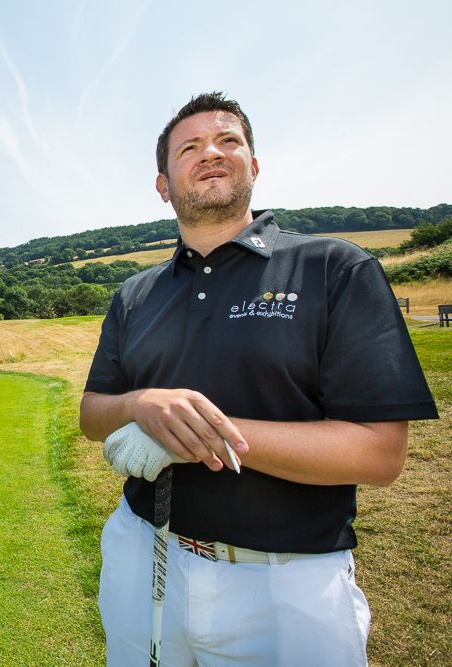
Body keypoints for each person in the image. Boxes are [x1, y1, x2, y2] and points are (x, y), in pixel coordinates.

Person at [79, 92, 438, 665]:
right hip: (143, 551)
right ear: (163, 185)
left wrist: (196, 434)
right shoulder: (135, 293)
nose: (211, 153)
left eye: (229, 141)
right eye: (189, 148)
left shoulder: (334, 267)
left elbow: (378, 454)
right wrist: (139, 405)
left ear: (254, 165)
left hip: (286, 580)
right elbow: (93, 413)